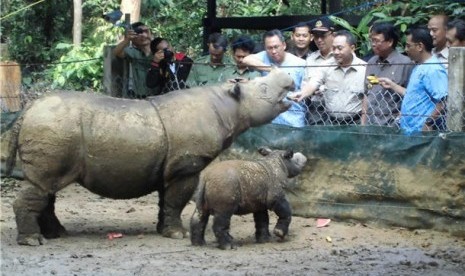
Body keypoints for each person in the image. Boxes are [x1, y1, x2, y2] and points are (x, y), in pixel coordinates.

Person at [377, 26, 448, 134]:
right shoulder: (419, 66)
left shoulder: (433, 69)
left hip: (422, 133)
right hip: (410, 131)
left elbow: (443, 100)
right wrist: (392, 85)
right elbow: (413, 94)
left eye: (408, 45)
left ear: (420, 46)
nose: (406, 49)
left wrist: (428, 122)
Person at [290, 30, 367, 125]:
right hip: (331, 122)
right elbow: (313, 82)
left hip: (356, 122)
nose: (336, 52)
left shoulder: (364, 69)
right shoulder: (326, 66)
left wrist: (363, 125)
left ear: (352, 48)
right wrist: (302, 94)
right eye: (333, 48)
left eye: (340, 48)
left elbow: (368, 98)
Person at [242, 29, 307, 127]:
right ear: (265, 48)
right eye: (269, 48)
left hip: (293, 119)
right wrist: (272, 70)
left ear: (284, 45)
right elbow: (246, 60)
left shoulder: (300, 64)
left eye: (276, 47)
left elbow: (307, 87)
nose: (273, 51)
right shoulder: (264, 57)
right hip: (271, 120)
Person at [362, 22, 414, 127]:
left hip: (393, 126)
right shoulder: (371, 62)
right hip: (371, 126)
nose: (373, 44)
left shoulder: (405, 63)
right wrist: (363, 124)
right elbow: (366, 95)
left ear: (390, 41)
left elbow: (412, 96)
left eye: (376, 41)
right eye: (372, 40)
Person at [304, 17, 336, 125]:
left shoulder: (340, 57)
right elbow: (305, 84)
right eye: (316, 36)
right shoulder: (311, 59)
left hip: (337, 109)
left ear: (333, 35)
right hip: (315, 110)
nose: (319, 40)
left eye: (323, 36)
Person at [113, 22, 154, 98]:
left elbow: (174, 55)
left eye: (145, 32)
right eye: (138, 32)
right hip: (140, 95)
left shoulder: (159, 48)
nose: (142, 35)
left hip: (161, 94)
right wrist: (127, 39)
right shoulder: (133, 52)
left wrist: (150, 38)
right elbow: (116, 52)